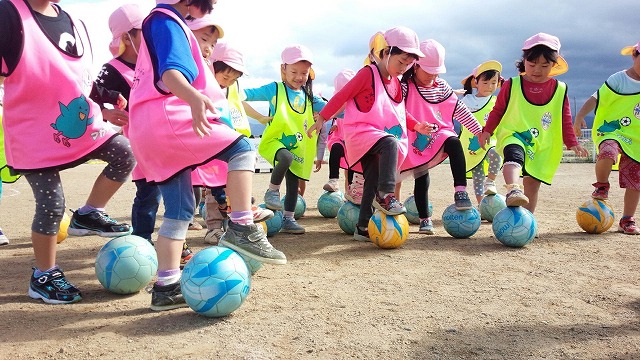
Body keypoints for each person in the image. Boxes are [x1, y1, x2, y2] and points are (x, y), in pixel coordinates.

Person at [128, 0, 286, 311]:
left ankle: (166, 286)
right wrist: (194, 97)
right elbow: (172, 72)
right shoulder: (167, 20)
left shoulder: (161, 22)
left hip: (148, 130)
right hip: (169, 119)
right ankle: (241, 226)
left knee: (179, 211)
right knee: (241, 150)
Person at [0, 0, 136, 304]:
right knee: (52, 204)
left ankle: (87, 215)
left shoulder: (76, 21)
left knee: (125, 153)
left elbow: (77, 82)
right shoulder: (8, 14)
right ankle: (44, 275)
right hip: (32, 132)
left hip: (81, 124)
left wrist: (104, 106)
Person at [308, 27, 432, 241]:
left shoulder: (395, 83)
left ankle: (363, 226)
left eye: (408, 64)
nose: (403, 68)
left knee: (371, 178)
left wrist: (416, 126)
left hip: (377, 138)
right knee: (391, 144)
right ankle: (386, 194)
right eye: (400, 61)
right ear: (385, 53)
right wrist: (322, 118)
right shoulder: (368, 74)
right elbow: (342, 95)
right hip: (361, 133)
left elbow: (399, 112)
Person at [479, 33, 588, 215]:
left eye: (544, 65)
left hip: (542, 143)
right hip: (514, 133)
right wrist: (487, 131)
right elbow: (497, 110)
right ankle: (513, 188)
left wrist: (572, 142)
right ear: (524, 61)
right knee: (513, 154)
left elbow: (565, 118)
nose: (537, 70)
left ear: (554, 65)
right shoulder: (512, 84)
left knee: (532, 184)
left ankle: (526, 220)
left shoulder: (560, 89)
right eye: (531, 64)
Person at [399, 39, 481, 234]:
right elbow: (397, 111)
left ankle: (460, 191)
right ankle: (424, 219)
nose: (432, 75)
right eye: (428, 70)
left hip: (439, 133)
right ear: (415, 65)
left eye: (436, 71)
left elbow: (458, 109)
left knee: (453, 141)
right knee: (422, 177)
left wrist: (478, 130)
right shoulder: (405, 86)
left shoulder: (441, 86)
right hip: (415, 139)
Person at [243, 44, 327, 234]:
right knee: (286, 158)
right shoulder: (275, 89)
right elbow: (246, 95)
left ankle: (288, 219)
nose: (299, 77)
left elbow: (332, 108)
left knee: (293, 183)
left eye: (304, 73)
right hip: (275, 141)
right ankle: (272, 191)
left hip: (298, 145)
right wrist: (256, 115)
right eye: (294, 71)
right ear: (283, 69)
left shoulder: (309, 96)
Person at [202, 40, 273, 244]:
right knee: (214, 186)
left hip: (232, 138)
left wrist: (259, 118)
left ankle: (239, 220)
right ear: (213, 67)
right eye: (226, 76)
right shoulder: (204, 83)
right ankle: (213, 228)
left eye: (234, 78)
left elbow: (240, 102)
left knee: (235, 182)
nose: (229, 81)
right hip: (212, 139)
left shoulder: (232, 87)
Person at [573, 41, 640, 235]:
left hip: (635, 137)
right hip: (611, 129)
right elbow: (595, 98)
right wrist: (578, 117)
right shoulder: (619, 79)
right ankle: (602, 185)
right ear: (634, 56)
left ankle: (627, 219)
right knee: (608, 151)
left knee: (636, 180)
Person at [460, 60, 504, 205]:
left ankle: (490, 181)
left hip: (490, 140)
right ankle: (481, 205)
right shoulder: (467, 100)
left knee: (495, 153)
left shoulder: (497, 102)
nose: (489, 87)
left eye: (493, 83)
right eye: (485, 83)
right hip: (470, 144)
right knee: (477, 175)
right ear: (476, 82)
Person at [320, 69, 363, 201]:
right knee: (336, 148)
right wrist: (333, 122)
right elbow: (333, 113)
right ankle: (333, 180)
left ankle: (351, 192)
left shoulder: (358, 103)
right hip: (340, 138)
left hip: (354, 142)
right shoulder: (337, 102)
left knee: (352, 169)